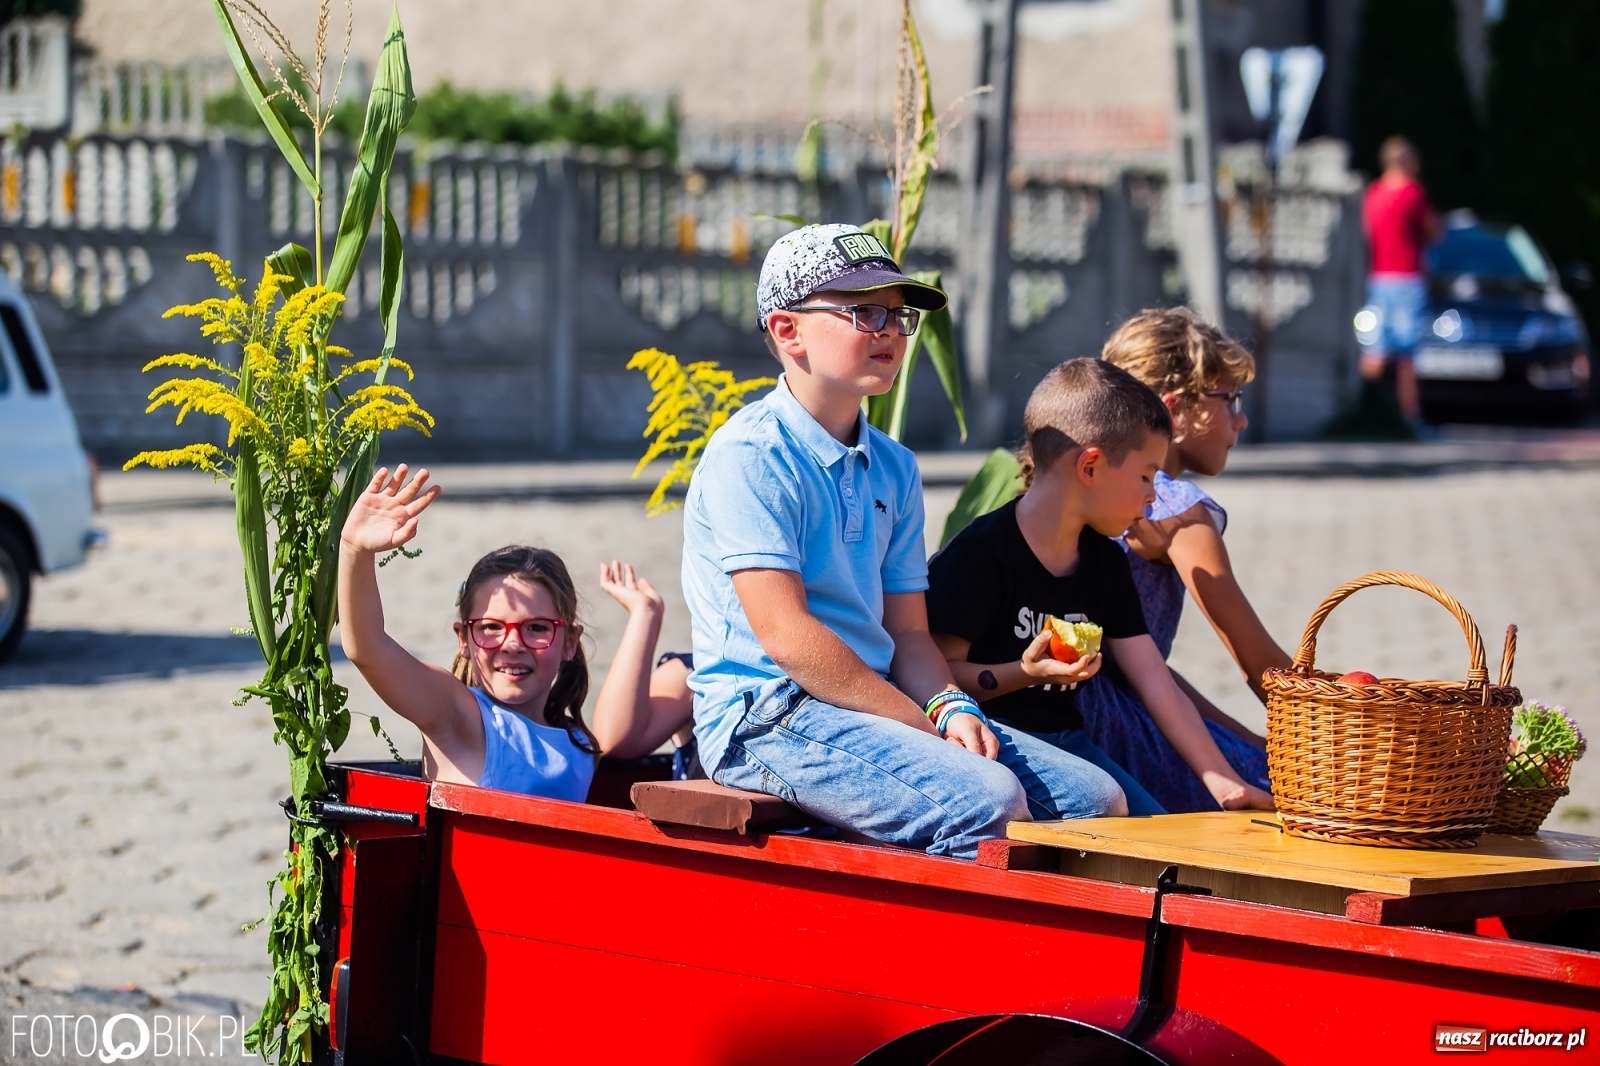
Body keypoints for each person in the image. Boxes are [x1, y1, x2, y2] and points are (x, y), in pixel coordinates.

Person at [682, 223, 1126, 860]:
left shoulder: (893, 466)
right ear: (788, 330)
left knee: (1096, 802)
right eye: (864, 311)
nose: (890, 330)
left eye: (896, 315)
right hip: (766, 716)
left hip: (869, 701)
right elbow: (789, 640)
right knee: (985, 801)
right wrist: (919, 726)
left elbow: (911, 634)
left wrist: (949, 707)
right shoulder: (750, 455)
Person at [928, 359, 1273, 816]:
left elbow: (1157, 683)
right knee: (1117, 820)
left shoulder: (1105, 560)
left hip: (1070, 741)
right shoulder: (981, 555)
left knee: (1159, 830)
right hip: (989, 739)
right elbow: (937, 678)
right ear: (1090, 465)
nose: (1153, 495)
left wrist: (1223, 781)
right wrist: (1025, 672)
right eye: (1147, 475)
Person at [337, 465, 682, 798]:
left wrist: (645, 614)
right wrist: (355, 550)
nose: (513, 643)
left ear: (569, 642)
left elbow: (621, 732)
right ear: (464, 640)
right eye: (490, 627)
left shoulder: (578, 740)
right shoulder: (459, 716)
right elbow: (368, 649)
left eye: (536, 627)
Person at [1076, 308, 1289, 813]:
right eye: (1228, 398)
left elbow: (1146, 669)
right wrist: (1343, 729)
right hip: (1117, 726)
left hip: (1067, 704)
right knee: (1291, 788)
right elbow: (1260, 665)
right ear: (1173, 410)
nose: (1241, 418)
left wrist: (1242, 737)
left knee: (1253, 754)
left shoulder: (1087, 482)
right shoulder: (1174, 507)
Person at [1360, 135, 1442, 425]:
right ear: (1406, 161)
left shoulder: (1372, 194)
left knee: (1374, 349)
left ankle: (1363, 410)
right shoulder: (1411, 192)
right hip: (1407, 278)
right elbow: (1433, 231)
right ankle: (1410, 417)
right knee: (1407, 353)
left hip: (1378, 278)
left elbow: (1367, 235)